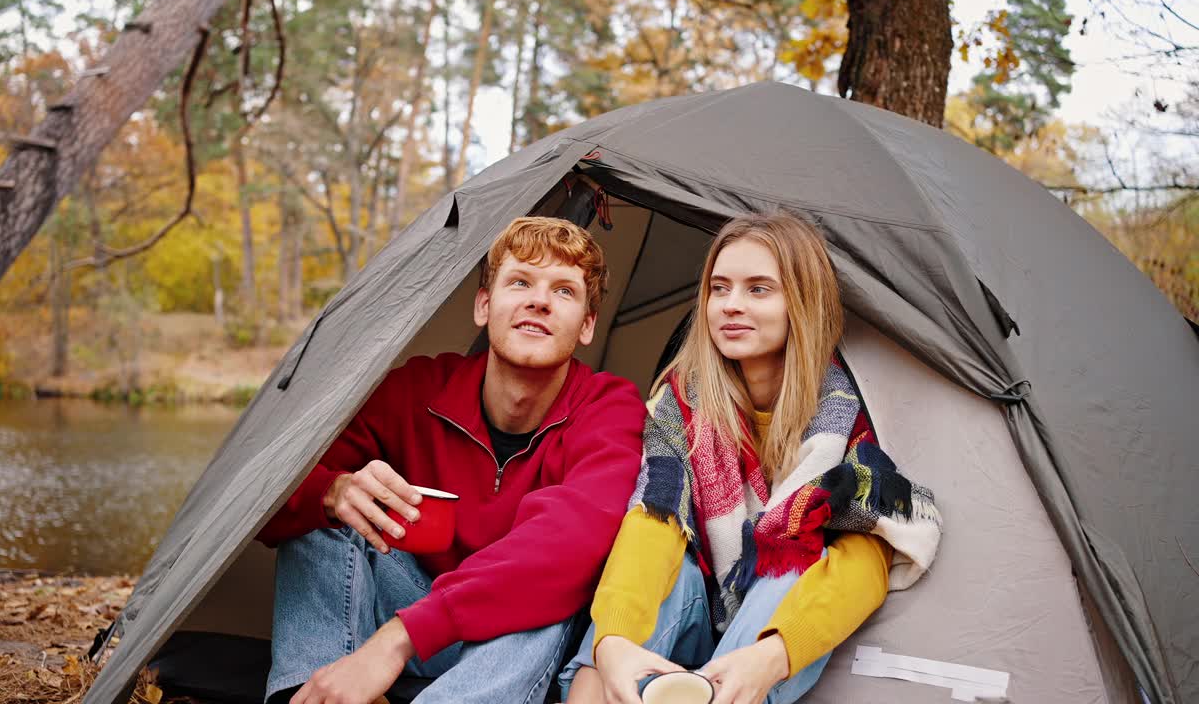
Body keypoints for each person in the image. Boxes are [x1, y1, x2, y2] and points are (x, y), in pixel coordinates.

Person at [257, 217, 647, 704]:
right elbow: (263, 501)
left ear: (587, 324)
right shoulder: (417, 389)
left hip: (507, 650)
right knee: (331, 514)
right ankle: (309, 696)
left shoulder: (609, 408)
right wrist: (333, 491)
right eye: (520, 282)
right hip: (412, 602)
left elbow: (569, 543)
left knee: (546, 594)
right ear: (484, 305)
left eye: (564, 291)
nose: (539, 301)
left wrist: (396, 641)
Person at [562, 211, 942, 704]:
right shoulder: (681, 403)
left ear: (800, 303)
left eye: (758, 289)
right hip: (701, 607)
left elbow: (864, 557)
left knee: (794, 561)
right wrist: (613, 638)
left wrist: (775, 654)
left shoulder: (845, 410)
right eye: (719, 289)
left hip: (768, 636)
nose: (731, 306)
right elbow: (653, 520)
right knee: (611, 650)